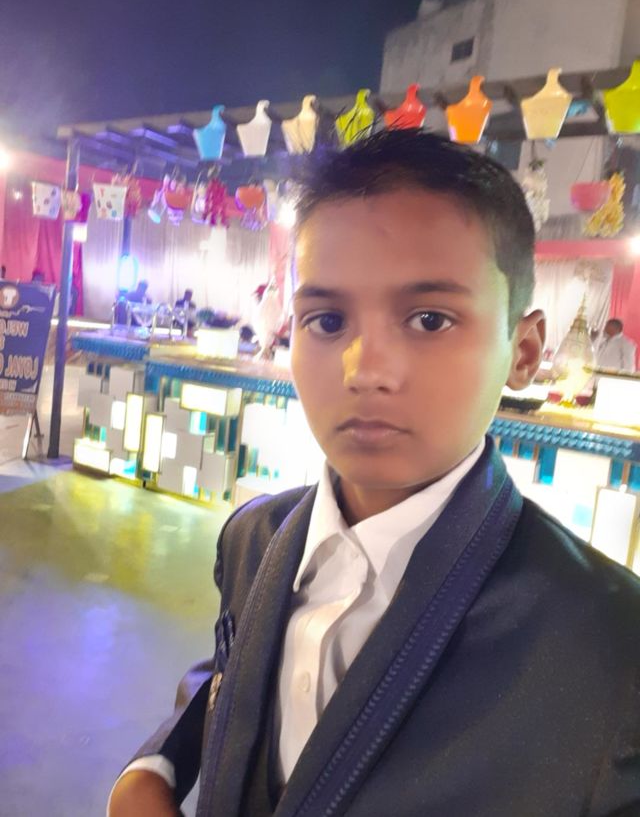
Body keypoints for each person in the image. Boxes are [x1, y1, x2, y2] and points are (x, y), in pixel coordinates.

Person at [109, 131, 640, 817]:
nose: (363, 370)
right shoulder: (254, 536)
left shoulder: (610, 645)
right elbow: (233, 678)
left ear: (524, 351)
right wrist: (151, 769)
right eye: (327, 320)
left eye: (429, 319)